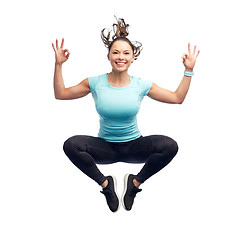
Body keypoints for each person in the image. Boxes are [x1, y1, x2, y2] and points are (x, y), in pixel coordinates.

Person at [52, 17, 200, 212]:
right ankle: (106, 186)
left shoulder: (141, 84)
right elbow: (60, 94)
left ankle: (134, 184)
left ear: (132, 57)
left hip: (134, 146)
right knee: (71, 145)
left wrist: (188, 70)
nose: (120, 57)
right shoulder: (95, 82)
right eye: (115, 52)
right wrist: (59, 65)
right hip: (104, 148)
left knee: (170, 146)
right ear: (108, 57)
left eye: (125, 53)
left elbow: (176, 98)